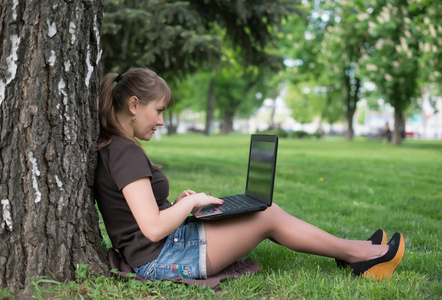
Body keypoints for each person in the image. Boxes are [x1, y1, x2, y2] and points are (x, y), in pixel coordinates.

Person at [95, 67, 405, 282]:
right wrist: (188, 205)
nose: (161, 121)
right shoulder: (125, 152)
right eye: (159, 110)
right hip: (162, 258)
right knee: (267, 215)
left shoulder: (120, 148)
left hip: (167, 247)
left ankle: (350, 249)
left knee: (265, 210)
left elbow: (142, 216)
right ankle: (360, 255)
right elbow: (150, 228)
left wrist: (176, 204)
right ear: (134, 105)